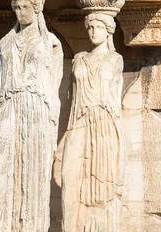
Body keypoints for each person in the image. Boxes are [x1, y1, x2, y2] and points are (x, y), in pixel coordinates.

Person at [0, 0, 63, 232]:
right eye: (17, 7)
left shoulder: (49, 43)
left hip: (36, 108)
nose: (21, 12)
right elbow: (0, 76)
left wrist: (51, 118)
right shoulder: (5, 42)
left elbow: (54, 83)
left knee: (34, 171)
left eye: (25, 7)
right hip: (9, 106)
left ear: (37, 8)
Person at [61, 13, 126, 232]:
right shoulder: (79, 58)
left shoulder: (115, 60)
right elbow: (72, 95)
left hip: (103, 122)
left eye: (98, 27)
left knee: (102, 182)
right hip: (79, 121)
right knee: (69, 177)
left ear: (109, 31)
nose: (93, 31)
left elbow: (116, 98)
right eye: (90, 27)